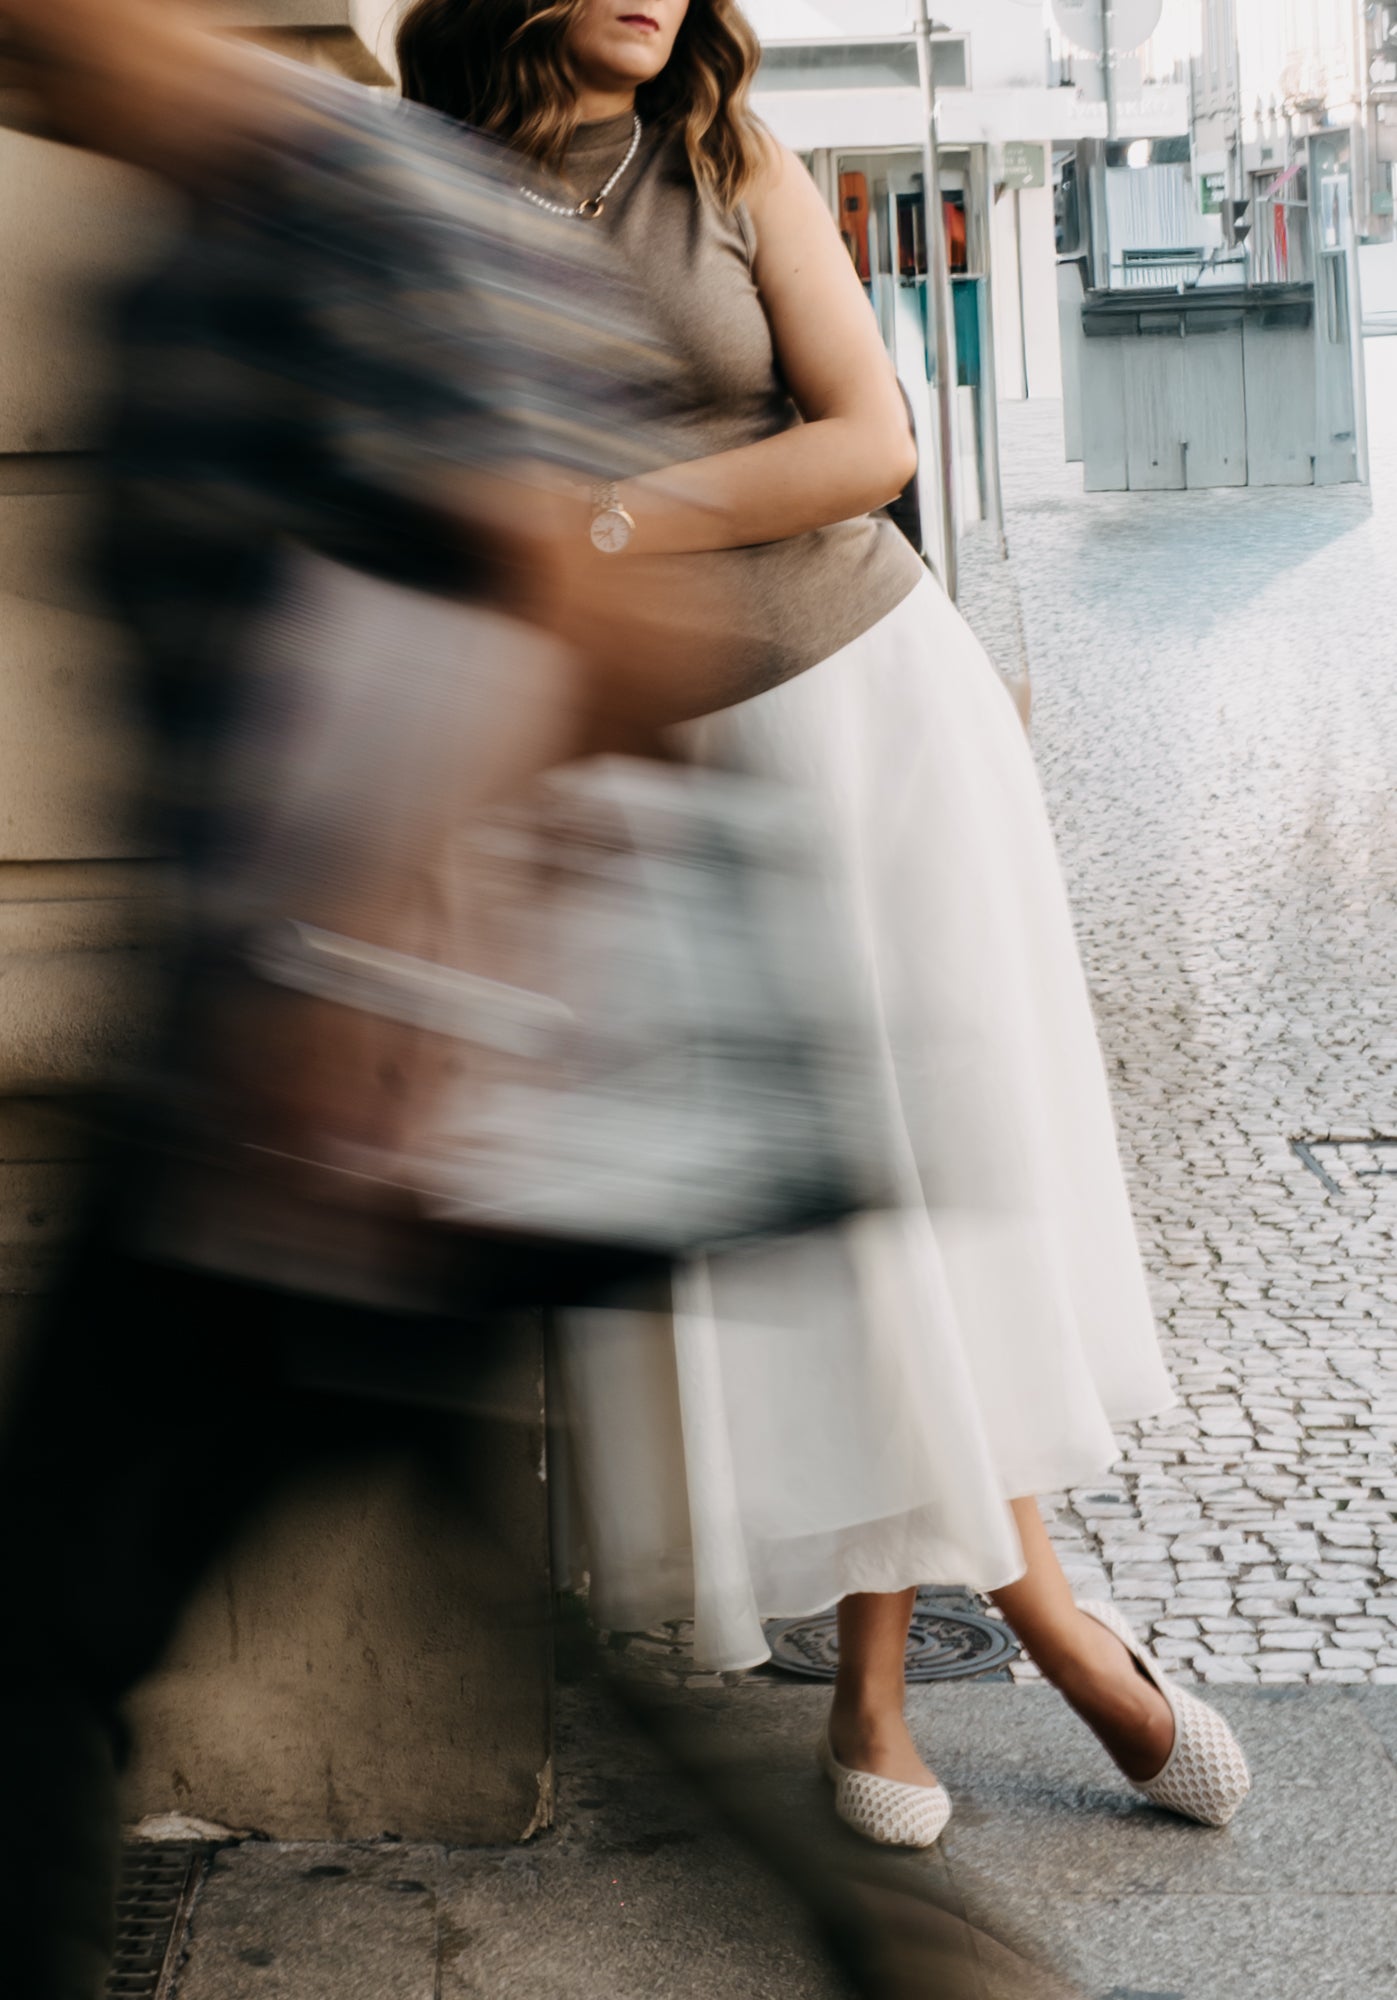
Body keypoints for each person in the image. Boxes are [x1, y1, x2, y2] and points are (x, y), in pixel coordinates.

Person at [397, 0, 1252, 1849]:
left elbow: (861, 442)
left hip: (870, 709)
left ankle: (880, 1693)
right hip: (653, 770)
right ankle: (1044, 1618)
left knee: (915, 1178)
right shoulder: (423, 197)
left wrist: (606, 517)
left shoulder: (725, 155)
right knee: (811, 1216)